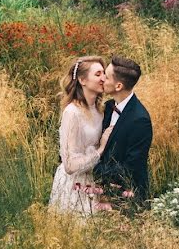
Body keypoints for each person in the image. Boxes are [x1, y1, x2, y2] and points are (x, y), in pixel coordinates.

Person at [49, 56, 114, 216]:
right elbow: (69, 166)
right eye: (98, 74)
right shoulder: (72, 112)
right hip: (73, 184)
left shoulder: (101, 110)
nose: (104, 78)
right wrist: (101, 149)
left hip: (94, 182)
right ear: (82, 80)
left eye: (104, 74)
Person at [94, 56, 153, 209]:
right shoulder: (108, 107)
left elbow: (130, 168)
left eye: (106, 76)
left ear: (118, 86)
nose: (102, 79)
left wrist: (90, 168)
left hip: (127, 200)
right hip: (102, 191)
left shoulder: (140, 120)